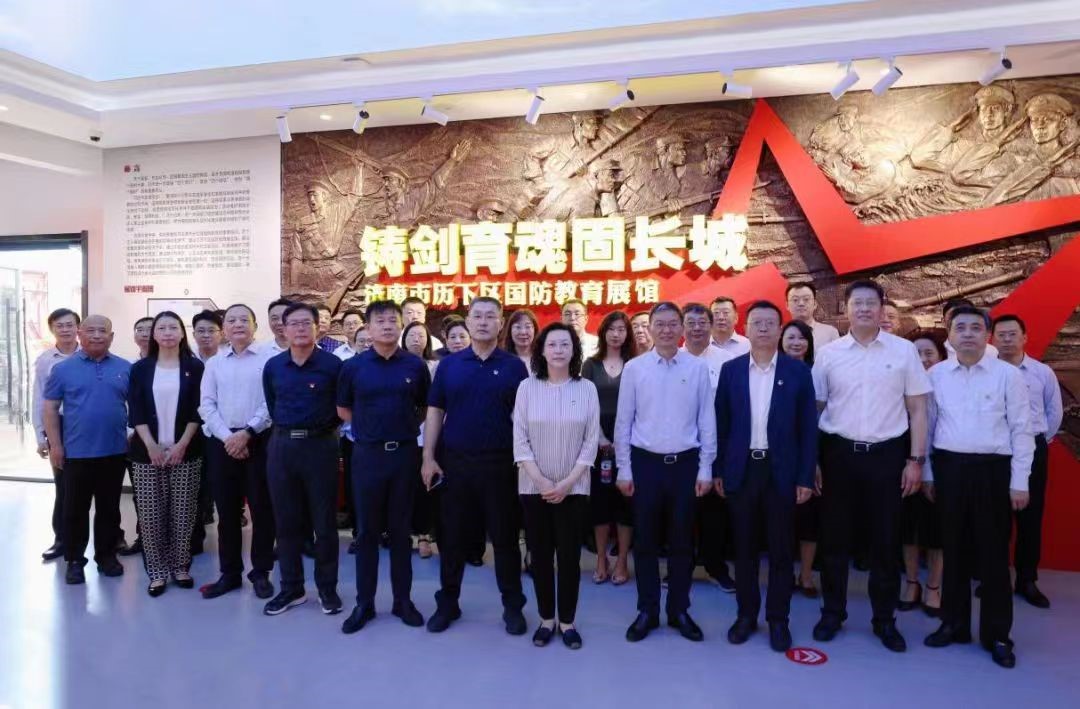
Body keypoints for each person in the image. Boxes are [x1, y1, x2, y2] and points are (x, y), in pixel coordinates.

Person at [811, 279, 931, 652]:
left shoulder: (903, 351)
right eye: (857, 303)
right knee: (834, 541)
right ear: (846, 309)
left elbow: (918, 409)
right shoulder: (829, 354)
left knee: (885, 541)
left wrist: (915, 460)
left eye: (870, 303)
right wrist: (813, 460)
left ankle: (884, 620)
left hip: (887, 457)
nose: (864, 308)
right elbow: (815, 409)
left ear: (881, 308)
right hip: (838, 455)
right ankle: (832, 613)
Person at [923, 306, 1034, 669]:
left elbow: (1022, 430)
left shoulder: (1007, 375)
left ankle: (997, 634)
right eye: (960, 328)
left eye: (975, 327)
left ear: (987, 335)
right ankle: (953, 623)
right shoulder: (937, 375)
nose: (968, 333)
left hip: (993, 472)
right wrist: (928, 473)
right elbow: (928, 427)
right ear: (950, 335)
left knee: (993, 557)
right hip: (950, 469)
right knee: (953, 550)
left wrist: (1019, 482)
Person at [422, 297, 530, 635]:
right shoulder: (450, 366)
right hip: (455, 464)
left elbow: (524, 418)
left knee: (505, 539)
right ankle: (448, 603)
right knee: (452, 538)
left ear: (501, 324)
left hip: (500, 464)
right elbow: (435, 411)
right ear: (467, 321)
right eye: (477, 316)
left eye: (490, 317)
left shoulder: (514, 367)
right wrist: (428, 457)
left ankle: (513, 606)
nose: (483, 322)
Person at [715, 301, 818, 652]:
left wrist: (805, 477)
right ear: (745, 328)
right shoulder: (731, 371)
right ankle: (746, 615)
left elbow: (808, 430)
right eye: (756, 322)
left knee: (780, 550)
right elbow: (722, 425)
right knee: (743, 549)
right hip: (743, 470)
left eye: (769, 323)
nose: (762, 328)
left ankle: (778, 619)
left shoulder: (797, 372)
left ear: (780, 329)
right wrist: (719, 470)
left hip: (781, 471)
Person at [615, 302, 716, 643]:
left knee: (682, 542)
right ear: (650, 328)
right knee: (645, 541)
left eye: (674, 323)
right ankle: (647, 610)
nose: (667, 330)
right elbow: (623, 422)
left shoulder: (697, 367)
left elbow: (706, 420)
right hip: (645, 465)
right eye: (660, 324)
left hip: (685, 465)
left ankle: (679, 610)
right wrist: (624, 468)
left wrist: (705, 468)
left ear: (682, 328)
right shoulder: (635, 368)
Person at [337, 300, 431, 633]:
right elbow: (343, 409)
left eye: (393, 320)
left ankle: (403, 601)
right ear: (369, 327)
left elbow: (423, 408)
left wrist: (400, 428)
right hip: (367, 456)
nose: (388, 326)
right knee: (367, 532)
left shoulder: (415, 366)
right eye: (380, 321)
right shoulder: (354, 367)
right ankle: (364, 603)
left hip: (404, 455)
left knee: (401, 531)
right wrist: (371, 428)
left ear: (401, 325)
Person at [514, 323, 599, 649]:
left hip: (574, 489)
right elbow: (520, 440)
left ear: (574, 350)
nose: (559, 350)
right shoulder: (526, 387)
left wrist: (565, 483)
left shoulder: (586, 389)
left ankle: (567, 621)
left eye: (565, 344)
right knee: (540, 556)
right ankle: (546, 619)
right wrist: (542, 482)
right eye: (553, 344)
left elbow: (590, 442)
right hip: (533, 488)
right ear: (542, 350)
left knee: (569, 557)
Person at [262, 303, 344, 616]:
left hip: (320, 447)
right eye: (293, 323)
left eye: (306, 322)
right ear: (283, 329)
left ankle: (327, 589)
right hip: (282, 447)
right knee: (285, 523)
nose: (299, 328)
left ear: (317, 327)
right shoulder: (274, 366)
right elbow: (272, 404)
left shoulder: (333, 365)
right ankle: (291, 588)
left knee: (324, 524)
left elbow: (340, 408)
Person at [42, 315, 131, 585]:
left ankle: (106, 557)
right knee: (74, 510)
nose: (96, 335)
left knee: (109, 508)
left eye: (102, 331)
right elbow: (49, 408)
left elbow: (138, 407)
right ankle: (74, 561)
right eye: (90, 330)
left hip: (114, 451)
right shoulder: (62, 369)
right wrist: (55, 445)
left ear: (111, 336)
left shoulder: (125, 368)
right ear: (80, 334)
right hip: (76, 453)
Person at [197, 304, 276, 600]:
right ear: (224, 329)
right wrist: (229, 438)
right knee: (227, 512)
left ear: (255, 326)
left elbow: (272, 402)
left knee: (262, 510)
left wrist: (247, 433)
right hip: (223, 443)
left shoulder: (270, 360)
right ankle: (229, 573)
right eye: (232, 320)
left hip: (260, 441)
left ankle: (261, 573)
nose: (238, 324)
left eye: (245, 319)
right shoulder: (214, 363)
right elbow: (206, 405)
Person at [127, 311, 205, 596]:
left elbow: (199, 409)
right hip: (147, 453)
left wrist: (182, 444)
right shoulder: (141, 369)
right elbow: (136, 411)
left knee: (183, 514)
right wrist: (151, 446)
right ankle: (157, 572)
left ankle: (180, 567)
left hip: (186, 451)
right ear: (154, 334)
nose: (168, 332)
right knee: (150, 516)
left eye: (174, 327)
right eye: (162, 328)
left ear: (182, 333)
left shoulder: (195, 367)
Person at [992, 314, 1063, 609]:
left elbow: (1054, 412)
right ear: (992, 339)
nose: (1007, 339)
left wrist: (1038, 441)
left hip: (1032, 447)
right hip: (995, 451)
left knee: (1030, 517)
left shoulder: (1042, 372)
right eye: (1001, 334)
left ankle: (1027, 580)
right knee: (995, 518)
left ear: (1025, 338)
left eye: (1013, 334)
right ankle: (994, 579)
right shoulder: (986, 370)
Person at [680, 303, 736, 591]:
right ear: (682, 327)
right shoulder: (671, 358)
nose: (697, 328)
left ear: (711, 326)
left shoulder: (728, 362)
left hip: (717, 446)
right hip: (681, 447)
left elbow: (732, 409)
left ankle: (715, 567)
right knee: (681, 512)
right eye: (691, 323)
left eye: (702, 322)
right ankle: (681, 568)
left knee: (715, 512)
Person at [581, 311, 634, 586]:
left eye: (621, 329)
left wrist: (623, 442)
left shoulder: (636, 364)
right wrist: (601, 438)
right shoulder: (591, 365)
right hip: (598, 445)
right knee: (600, 505)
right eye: (611, 329)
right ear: (603, 333)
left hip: (630, 446)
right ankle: (601, 558)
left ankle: (622, 560)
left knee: (626, 505)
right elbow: (585, 405)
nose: (616, 334)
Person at [899, 329, 947, 617]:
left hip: (942, 468)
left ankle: (934, 587)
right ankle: (911, 583)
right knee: (909, 529)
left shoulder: (949, 384)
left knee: (938, 531)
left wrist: (928, 471)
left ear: (941, 356)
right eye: (917, 354)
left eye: (929, 353)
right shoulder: (899, 383)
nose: (923, 358)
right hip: (903, 465)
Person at [33, 308, 80, 562]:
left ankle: (111, 538)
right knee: (63, 486)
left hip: (85, 424)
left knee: (97, 485)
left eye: (69, 324)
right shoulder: (45, 360)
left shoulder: (89, 355)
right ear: (52, 329)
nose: (65, 329)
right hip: (57, 424)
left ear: (77, 328)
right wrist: (41, 436)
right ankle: (61, 539)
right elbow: (39, 398)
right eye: (59, 325)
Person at [781, 320, 822, 598]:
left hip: (813, 454)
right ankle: (783, 574)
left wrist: (815, 461)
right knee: (783, 520)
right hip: (782, 456)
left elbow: (818, 420)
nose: (796, 343)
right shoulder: (771, 371)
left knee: (810, 519)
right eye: (791, 337)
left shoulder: (818, 372)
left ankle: (806, 575)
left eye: (802, 338)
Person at [403, 320, 440, 559]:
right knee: (404, 486)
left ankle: (424, 535)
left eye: (421, 335)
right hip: (402, 436)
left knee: (425, 487)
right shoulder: (396, 364)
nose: (416, 339)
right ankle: (402, 532)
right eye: (412, 335)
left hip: (428, 435)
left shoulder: (437, 366)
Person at [190, 309, 224, 552]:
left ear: (221, 334)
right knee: (195, 485)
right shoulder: (187, 361)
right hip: (191, 432)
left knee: (220, 483)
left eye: (211, 330)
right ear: (193, 334)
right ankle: (195, 537)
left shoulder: (227, 360)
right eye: (200, 331)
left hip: (221, 432)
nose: (205, 335)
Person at [786, 282, 840, 349]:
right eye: (795, 300)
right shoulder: (780, 334)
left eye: (806, 299)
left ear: (815, 304)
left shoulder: (830, 333)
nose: (801, 303)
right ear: (787, 305)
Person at [503, 308, 538, 375]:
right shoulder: (502, 360)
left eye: (528, 327)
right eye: (518, 327)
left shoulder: (544, 359)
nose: (523, 332)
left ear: (535, 330)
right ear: (510, 331)